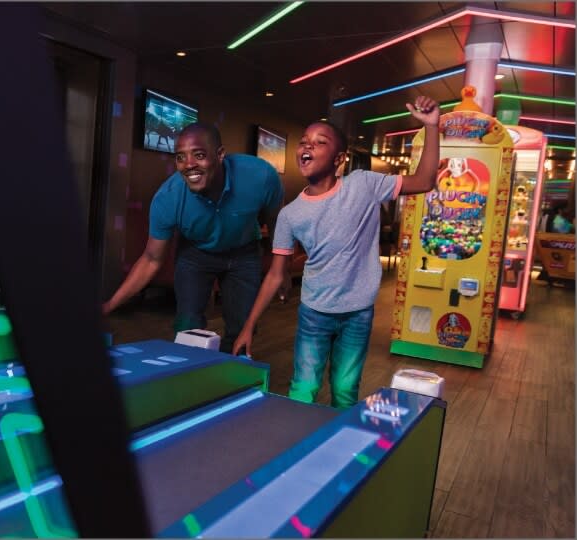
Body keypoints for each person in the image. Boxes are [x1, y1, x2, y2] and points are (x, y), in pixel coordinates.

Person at [232, 96, 441, 409]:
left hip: (358, 313)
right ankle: (298, 438)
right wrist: (249, 326)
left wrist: (432, 127)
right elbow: (275, 274)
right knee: (303, 388)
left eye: (320, 142)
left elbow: (424, 181)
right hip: (314, 312)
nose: (308, 146)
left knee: (344, 391)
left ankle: (340, 439)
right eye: (304, 141)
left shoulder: (364, 185)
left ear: (339, 158)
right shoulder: (290, 214)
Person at [102, 122, 286, 353]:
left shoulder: (260, 176)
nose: (188, 165)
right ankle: (192, 370)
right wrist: (108, 306)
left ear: (220, 154)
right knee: (187, 325)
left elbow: (277, 221)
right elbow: (151, 259)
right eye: (181, 157)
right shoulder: (168, 198)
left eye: (199, 155)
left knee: (242, 328)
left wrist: (279, 268)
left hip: (244, 252)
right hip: (195, 254)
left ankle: (232, 371)